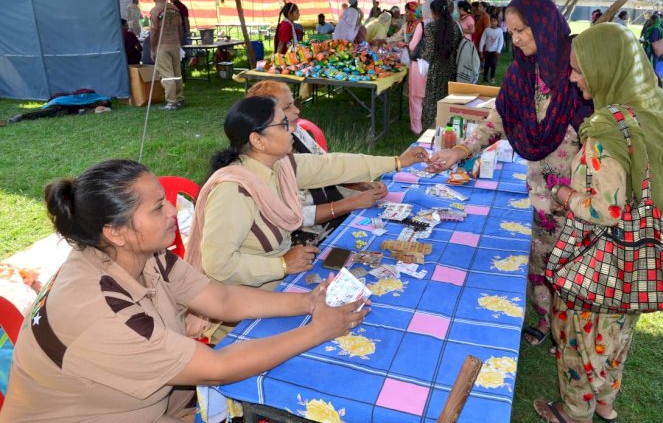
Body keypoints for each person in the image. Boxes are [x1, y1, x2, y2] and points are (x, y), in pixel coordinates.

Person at [0, 159, 368, 422]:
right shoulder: (98, 309)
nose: (174, 213)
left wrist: (306, 301)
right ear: (115, 231)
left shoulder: (137, 255)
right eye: (158, 208)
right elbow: (216, 368)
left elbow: (220, 298)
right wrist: (318, 329)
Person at [533, 22, 663, 423]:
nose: (572, 77)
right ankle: (604, 403)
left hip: (596, 261)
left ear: (606, 69)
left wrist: (563, 194)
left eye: (579, 70)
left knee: (580, 338)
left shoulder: (605, 132)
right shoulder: (650, 111)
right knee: (614, 336)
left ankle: (575, 412)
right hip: (634, 257)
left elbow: (605, 210)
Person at [184, 96, 428, 342]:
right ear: (257, 140)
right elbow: (218, 265)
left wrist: (397, 161)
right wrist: (281, 264)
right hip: (242, 311)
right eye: (283, 124)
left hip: (282, 286)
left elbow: (333, 165)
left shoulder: (280, 167)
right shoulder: (233, 191)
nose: (292, 128)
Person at [429, 0, 593, 347]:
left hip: (580, 195)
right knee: (538, 258)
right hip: (541, 191)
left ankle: (572, 332)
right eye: (511, 30)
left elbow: (600, 134)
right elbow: (496, 122)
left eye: (522, 30)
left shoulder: (580, 71)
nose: (515, 38)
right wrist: (459, 150)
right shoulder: (521, 73)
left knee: (574, 265)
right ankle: (545, 317)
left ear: (545, 25)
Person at [245, 81, 390, 243]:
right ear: (264, 119)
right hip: (298, 237)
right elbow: (295, 217)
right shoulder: (260, 163)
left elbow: (326, 167)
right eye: (287, 108)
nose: (297, 110)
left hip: (331, 209)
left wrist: (359, 183)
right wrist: (351, 203)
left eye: (294, 104)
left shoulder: (295, 131)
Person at [420, 0, 464, 130]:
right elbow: (458, 45)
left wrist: (422, 57)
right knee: (448, 97)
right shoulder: (455, 26)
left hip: (436, 68)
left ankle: (431, 129)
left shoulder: (430, 27)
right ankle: (448, 125)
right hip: (450, 67)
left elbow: (430, 51)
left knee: (432, 100)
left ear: (434, 12)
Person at [149, 0, 185, 111]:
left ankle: (171, 102)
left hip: (163, 46)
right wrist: (180, 43)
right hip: (175, 44)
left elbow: (154, 32)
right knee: (177, 73)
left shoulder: (155, 11)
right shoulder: (174, 8)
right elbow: (180, 27)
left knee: (167, 75)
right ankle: (180, 98)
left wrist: (153, 48)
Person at [405, 3, 430, 134]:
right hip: (434, 64)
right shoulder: (441, 25)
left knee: (416, 96)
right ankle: (428, 124)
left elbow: (412, 45)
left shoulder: (422, 25)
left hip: (420, 63)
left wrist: (408, 43)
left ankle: (417, 127)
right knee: (428, 95)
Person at [641, 12, 663, 82]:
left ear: (654, 20)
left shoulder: (655, 28)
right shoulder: (657, 27)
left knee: (651, 63)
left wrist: (645, 40)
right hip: (655, 48)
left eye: (651, 19)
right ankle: (652, 77)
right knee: (653, 63)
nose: (649, 21)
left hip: (651, 49)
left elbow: (653, 39)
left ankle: (651, 78)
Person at [479, 15, 504, 84]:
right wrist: (481, 50)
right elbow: (482, 40)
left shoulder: (500, 30)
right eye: (491, 21)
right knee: (486, 65)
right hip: (488, 51)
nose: (493, 22)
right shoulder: (487, 30)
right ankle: (485, 78)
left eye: (494, 21)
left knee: (493, 65)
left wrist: (498, 51)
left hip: (495, 52)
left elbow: (501, 42)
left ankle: (492, 77)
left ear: (497, 22)